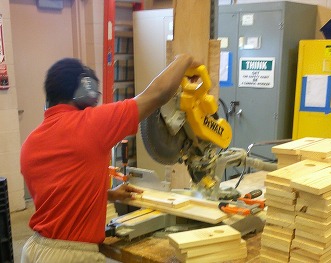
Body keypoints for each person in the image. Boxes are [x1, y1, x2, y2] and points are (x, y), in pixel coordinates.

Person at [20, 54, 199, 262]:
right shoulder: (90, 124)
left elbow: (59, 195)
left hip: (34, 250)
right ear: (84, 90)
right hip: (71, 255)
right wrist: (184, 59)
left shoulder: (30, 144)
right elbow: (157, 94)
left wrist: (108, 195)